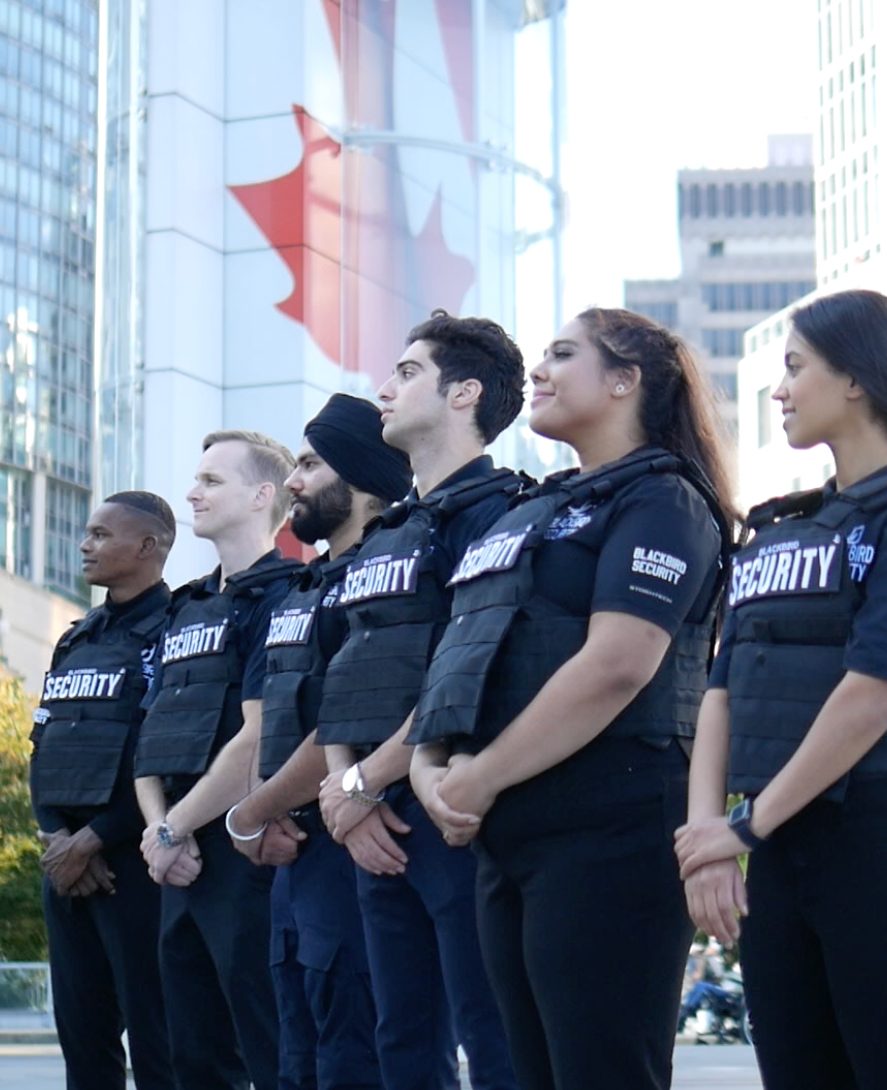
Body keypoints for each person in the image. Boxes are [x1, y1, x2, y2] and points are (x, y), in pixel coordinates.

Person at [675, 289, 887, 1090]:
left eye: (794, 368)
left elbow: (878, 690)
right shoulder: (778, 529)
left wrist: (743, 831)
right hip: (787, 854)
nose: (779, 390)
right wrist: (705, 841)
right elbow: (721, 688)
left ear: (854, 379)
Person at [408, 307, 735, 1090]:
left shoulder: (662, 500)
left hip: (610, 828)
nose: (541, 372)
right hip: (508, 834)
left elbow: (619, 664)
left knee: (601, 1071)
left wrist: (478, 777)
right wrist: (429, 765)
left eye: (563, 354)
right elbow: (459, 655)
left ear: (625, 382)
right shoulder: (534, 509)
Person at [315, 311, 525, 1090]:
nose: (384, 389)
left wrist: (367, 782)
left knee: (492, 1034)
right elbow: (344, 671)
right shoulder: (385, 532)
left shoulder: (500, 511)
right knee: (400, 1040)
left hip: (452, 808)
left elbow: (464, 669)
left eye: (407, 373)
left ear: (465, 393)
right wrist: (347, 791)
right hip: (372, 813)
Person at [225, 394, 413, 1090]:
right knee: (295, 1063)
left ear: (361, 474)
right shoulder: (302, 592)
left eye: (310, 463)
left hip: (356, 842)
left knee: (357, 1061)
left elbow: (341, 721)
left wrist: (247, 815)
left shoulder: (386, 577)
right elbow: (273, 725)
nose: (294, 482)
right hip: (294, 860)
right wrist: (260, 814)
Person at [134, 431, 301, 1090]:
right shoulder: (185, 606)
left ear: (263, 496)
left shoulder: (288, 593)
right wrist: (159, 832)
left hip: (245, 848)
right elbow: (149, 738)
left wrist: (175, 829)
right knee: (192, 1056)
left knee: (268, 1047)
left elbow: (256, 738)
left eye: (211, 481)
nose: (191, 493)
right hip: (175, 858)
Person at [30, 491, 178, 1090]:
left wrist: (96, 838)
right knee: (83, 1041)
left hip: (138, 863)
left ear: (147, 546)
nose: (84, 545)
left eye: (98, 535)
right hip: (67, 867)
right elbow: (42, 749)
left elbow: (171, 755)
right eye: (86, 533)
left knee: (157, 1039)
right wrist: (60, 840)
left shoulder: (179, 628)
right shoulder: (76, 638)